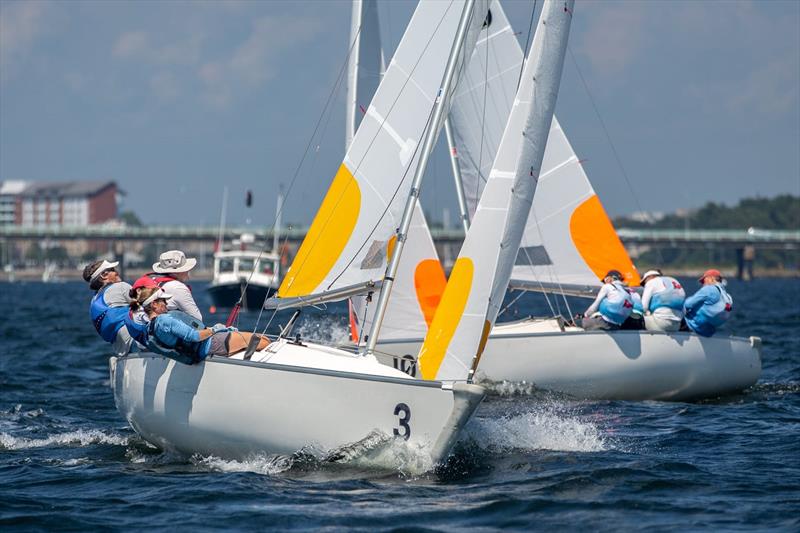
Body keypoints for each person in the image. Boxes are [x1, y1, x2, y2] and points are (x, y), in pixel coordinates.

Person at [133, 287, 269, 364]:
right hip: (212, 344)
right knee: (264, 341)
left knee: (258, 340)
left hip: (202, 349)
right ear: (154, 304)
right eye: (163, 301)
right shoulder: (164, 320)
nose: (167, 304)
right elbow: (193, 336)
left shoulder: (150, 327)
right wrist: (215, 329)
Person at [134, 250, 203, 321]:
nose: (188, 273)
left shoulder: (150, 279)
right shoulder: (178, 288)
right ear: (178, 272)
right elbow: (197, 319)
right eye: (186, 270)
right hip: (160, 328)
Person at [83, 259, 133, 355]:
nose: (117, 272)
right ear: (104, 275)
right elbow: (148, 303)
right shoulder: (121, 287)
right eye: (113, 270)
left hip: (120, 350)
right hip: (136, 342)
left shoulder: (95, 299)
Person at [682, 269, 733, 337]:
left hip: (690, 326)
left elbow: (687, 304)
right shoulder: (728, 297)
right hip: (708, 333)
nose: (703, 284)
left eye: (704, 281)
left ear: (711, 279)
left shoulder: (709, 289)